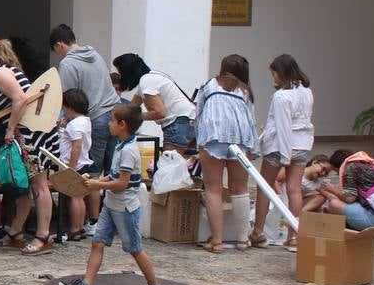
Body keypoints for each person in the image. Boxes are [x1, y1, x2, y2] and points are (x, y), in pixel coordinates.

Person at [59, 104, 165, 285]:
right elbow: (114, 175)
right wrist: (96, 180)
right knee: (98, 242)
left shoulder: (129, 150)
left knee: (134, 248)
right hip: (111, 204)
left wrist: (97, 184)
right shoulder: (121, 145)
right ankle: (87, 284)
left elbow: (123, 183)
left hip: (124, 207)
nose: (109, 125)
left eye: (112, 121)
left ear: (122, 124)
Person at [0, 36, 60, 256]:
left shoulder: (1, 73)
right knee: (22, 186)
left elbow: (20, 99)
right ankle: (16, 232)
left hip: (31, 136)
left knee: (38, 186)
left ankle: (43, 236)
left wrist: (9, 128)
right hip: (24, 136)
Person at [49, 25, 120, 226]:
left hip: (95, 119)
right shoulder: (95, 54)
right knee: (112, 169)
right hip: (114, 114)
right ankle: (113, 218)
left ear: (59, 45)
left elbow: (68, 97)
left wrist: (62, 118)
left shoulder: (68, 64)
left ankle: (94, 222)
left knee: (93, 174)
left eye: (57, 50)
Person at [250, 54, 315, 249]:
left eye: (274, 74)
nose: (274, 78)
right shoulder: (307, 92)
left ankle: (258, 232)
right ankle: (294, 236)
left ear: (281, 72)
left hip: (280, 147)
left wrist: (285, 155)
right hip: (302, 144)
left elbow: (283, 126)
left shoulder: (281, 96)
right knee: (294, 189)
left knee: (265, 187)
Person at [194, 55, 256, 253]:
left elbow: (198, 113)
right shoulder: (246, 91)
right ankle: (242, 239)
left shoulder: (209, 85)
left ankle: (217, 241)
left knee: (214, 189)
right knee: (241, 188)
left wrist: (199, 142)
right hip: (240, 138)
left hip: (213, 136)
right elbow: (251, 119)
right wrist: (252, 148)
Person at [112, 54, 197, 152]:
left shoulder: (146, 82)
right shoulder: (151, 77)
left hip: (178, 123)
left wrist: (135, 117)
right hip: (187, 120)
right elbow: (131, 107)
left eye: (121, 73)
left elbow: (160, 112)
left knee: (170, 164)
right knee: (176, 163)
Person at [58, 89, 94, 238]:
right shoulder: (85, 121)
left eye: (64, 108)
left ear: (70, 107)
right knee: (79, 196)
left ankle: (75, 227)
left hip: (74, 165)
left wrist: (70, 168)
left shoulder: (74, 125)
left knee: (74, 196)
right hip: (83, 162)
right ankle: (80, 227)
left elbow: (76, 146)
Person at [320, 151, 374, 230]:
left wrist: (331, 188)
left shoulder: (350, 167)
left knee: (334, 204)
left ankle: (345, 234)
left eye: (335, 171)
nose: (337, 174)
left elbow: (349, 199)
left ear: (338, 167)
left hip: (373, 223)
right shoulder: (368, 164)